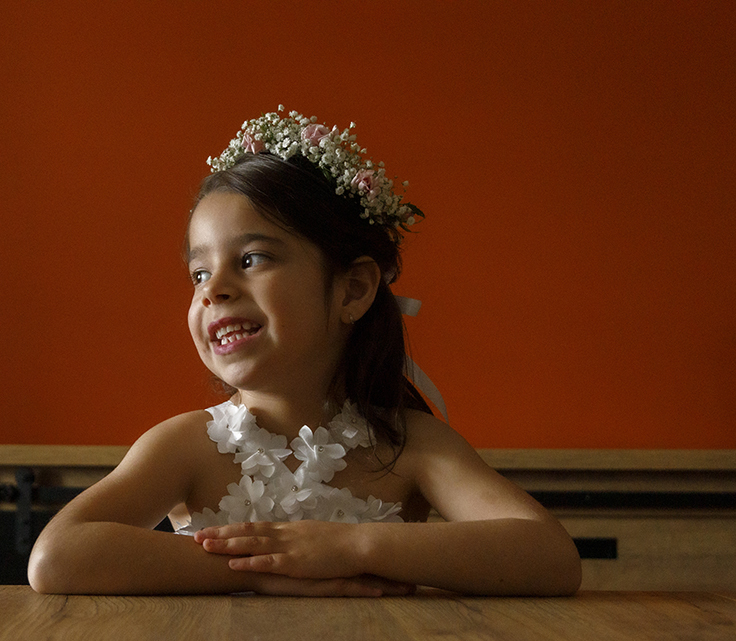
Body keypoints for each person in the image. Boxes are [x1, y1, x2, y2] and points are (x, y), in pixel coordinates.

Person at [28, 108, 582, 597]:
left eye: (251, 260)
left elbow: (549, 557)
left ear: (353, 290)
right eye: (198, 272)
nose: (211, 289)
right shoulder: (183, 447)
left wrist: (353, 547)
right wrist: (260, 571)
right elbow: (58, 557)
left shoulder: (412, 446)